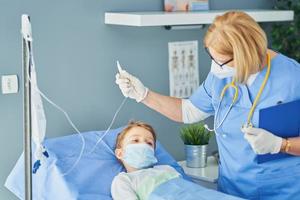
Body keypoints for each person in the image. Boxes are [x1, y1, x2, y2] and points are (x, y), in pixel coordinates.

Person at [115, 11, 300, 199]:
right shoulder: (220, 76)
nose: (215, 68)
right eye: (212, 57)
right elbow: (187, 111)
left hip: (283, 190)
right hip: (232, 191)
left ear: (245, 55)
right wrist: (144, 94)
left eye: (221, 61)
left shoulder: (293, 79)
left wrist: (281, 145)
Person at [111, 121, 181, 200]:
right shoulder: (123, 181)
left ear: (153, 153)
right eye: (135, 140)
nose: (144, 145)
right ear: (120, 153)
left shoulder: (167, 169)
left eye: (149, 143)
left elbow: (186, 189)